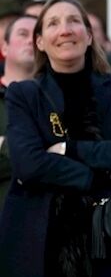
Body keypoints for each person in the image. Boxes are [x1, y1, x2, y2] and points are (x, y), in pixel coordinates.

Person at [0, 0, 111, 277]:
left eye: (74, 21)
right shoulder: (24, 94)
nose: (65, 30)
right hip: (40, 238)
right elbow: (27, 163)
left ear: (90, 35)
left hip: (110, 237)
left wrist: (67, 150)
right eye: (53, 24)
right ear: (40, 42)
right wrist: (97, 172)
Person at [0, 14, 37, 213]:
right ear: (4, 47)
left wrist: (4, 145)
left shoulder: (59, 101)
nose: (30, 40)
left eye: (37, 36)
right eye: (23, 34)